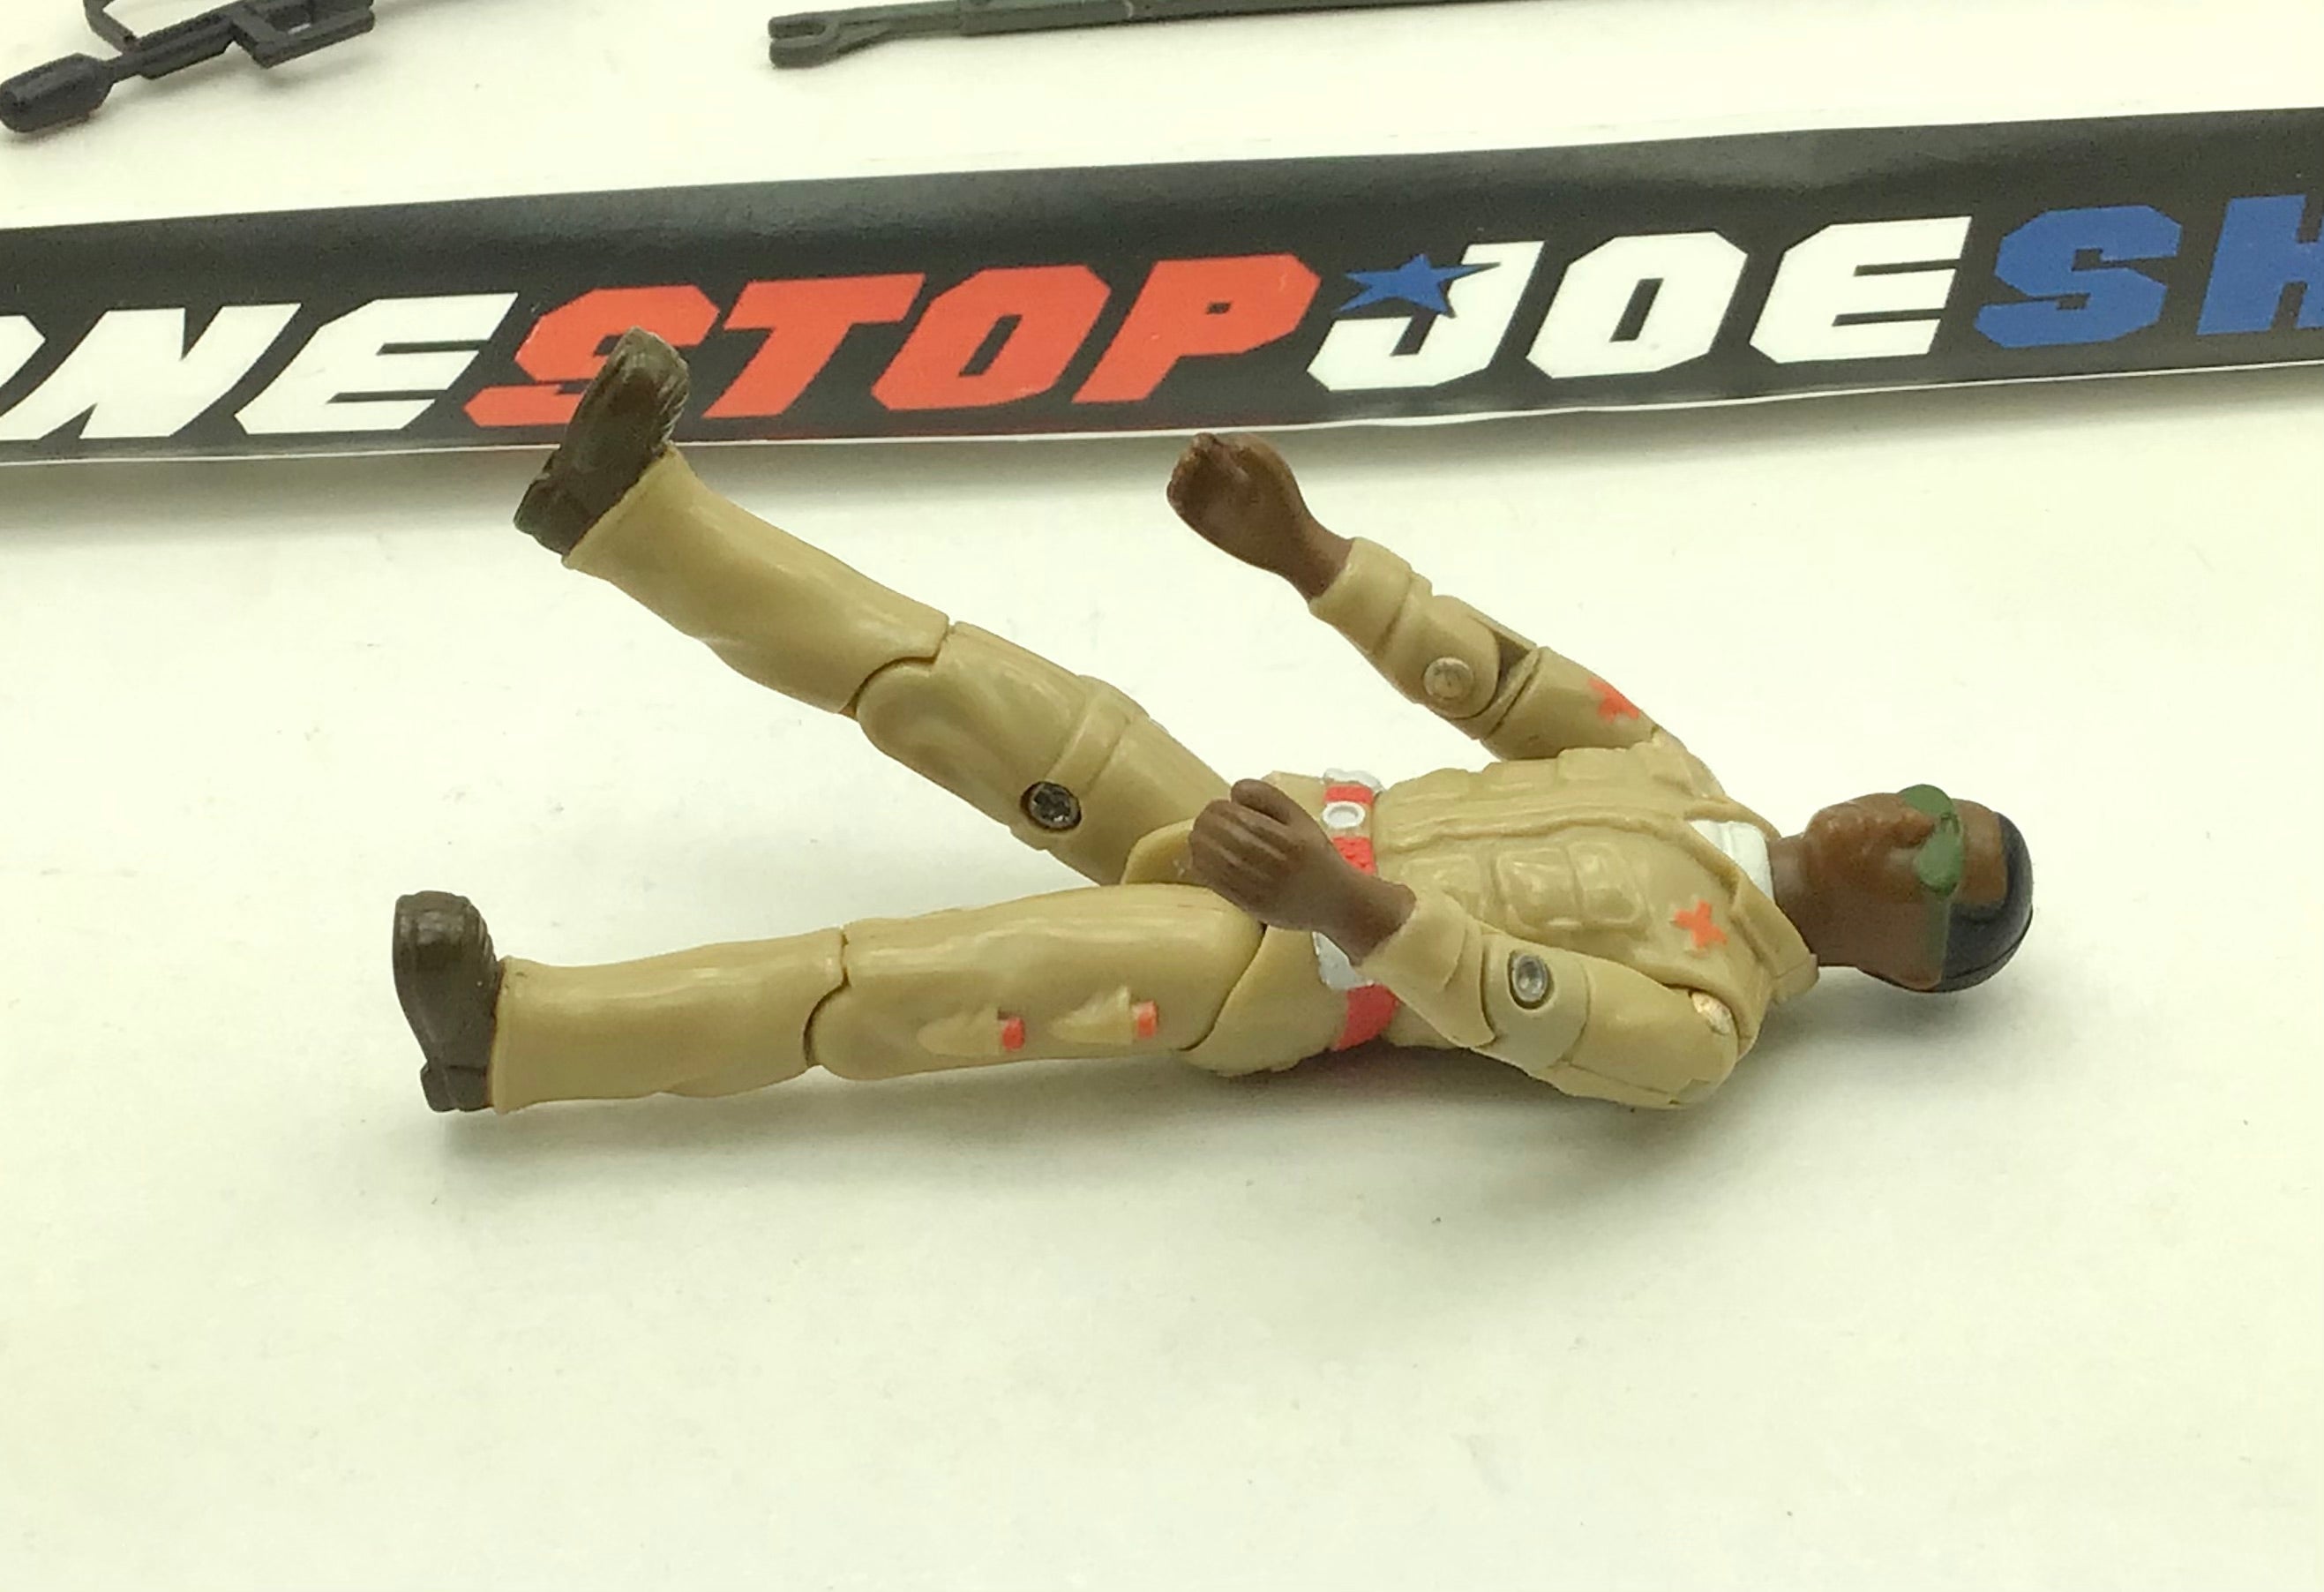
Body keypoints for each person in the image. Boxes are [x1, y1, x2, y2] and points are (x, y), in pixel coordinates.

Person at [394, 330, 2032, 1115]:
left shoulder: (1703, 1018)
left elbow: (1519, 1006)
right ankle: (634, 516)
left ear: (1906, 967)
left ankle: (518, 1035)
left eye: (1937, 865)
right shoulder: (1672, 772)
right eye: (1934, 801)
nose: (1908, 825)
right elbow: (1496, 679)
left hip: (1274, 967)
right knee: (958, 682)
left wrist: (1338, 909)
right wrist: (1309, 554)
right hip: (1259, 822)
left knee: (901, 977)